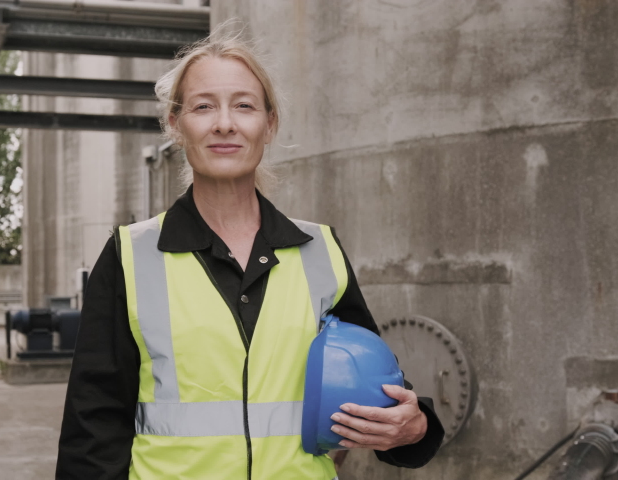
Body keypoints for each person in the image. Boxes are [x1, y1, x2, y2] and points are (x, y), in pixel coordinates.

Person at [56, 32, 444, 480]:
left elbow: (376, 390)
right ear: (175, 124)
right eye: (203, 106)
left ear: (270, 124)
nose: (224, 124)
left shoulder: (320, 251)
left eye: (243, 105)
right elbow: (93, 425)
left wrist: (414, 426)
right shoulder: (130, 254)